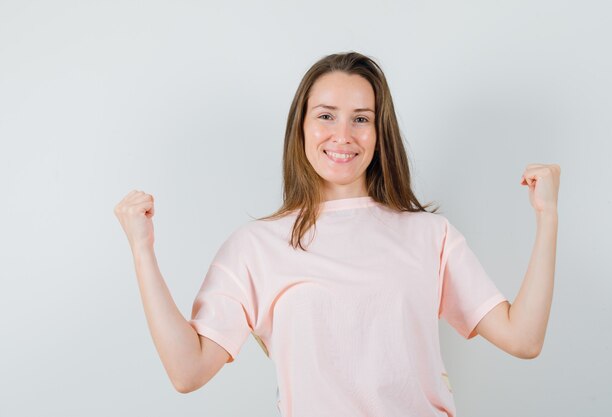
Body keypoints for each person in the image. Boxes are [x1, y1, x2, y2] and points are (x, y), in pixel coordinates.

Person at [114, 51, 560, 416]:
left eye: (361, 119)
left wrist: (548, 216)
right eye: (326, 115)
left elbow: (523, 339)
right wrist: (142, 250)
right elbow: (187, 371)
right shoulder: (255, 247)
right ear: (302, 127)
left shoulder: (430, 235)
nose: (342, 135)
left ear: (379, 132)